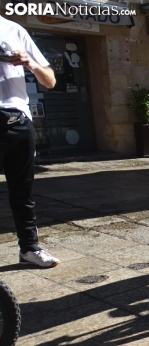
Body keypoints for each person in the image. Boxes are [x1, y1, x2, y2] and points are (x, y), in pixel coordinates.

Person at [1, 17, 60, 267]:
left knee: (22, 190)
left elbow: (50, 80)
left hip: (16, 120)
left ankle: (29, 248)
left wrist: (30, 63)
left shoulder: (13, 30)